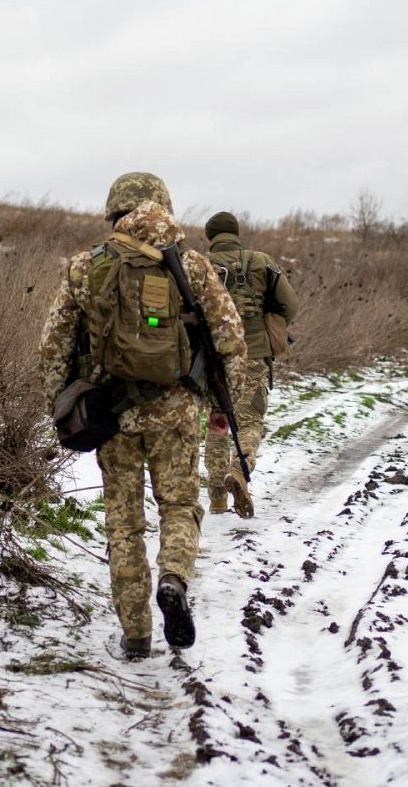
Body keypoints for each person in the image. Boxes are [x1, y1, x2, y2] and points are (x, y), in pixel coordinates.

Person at [38, 173, 247, 660]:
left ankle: (135, 633)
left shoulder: (84, 267)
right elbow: (231, 340)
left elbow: (51, 350)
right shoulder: (192, 266)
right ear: (164, 206)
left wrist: (61, 409)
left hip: (112, 415)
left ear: (114, 211)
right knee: (178, 505)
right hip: (176, 413)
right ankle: (173, 578)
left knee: (124, 523)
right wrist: (222, 408)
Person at [201, 211, 300, 518]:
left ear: (210, 237)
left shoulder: (197, 264)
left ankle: (217, 496)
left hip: (211, 354)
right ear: (237, 233)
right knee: (249, 418)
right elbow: (290, 305)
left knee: (216, 420)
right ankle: (239, 470)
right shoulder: (261, 261)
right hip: (254, 352)